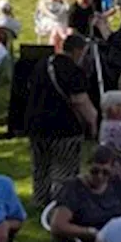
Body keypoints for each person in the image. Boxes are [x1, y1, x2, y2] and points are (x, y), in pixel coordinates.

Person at [24, 33, 97, 208]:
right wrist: (92, 124)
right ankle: (59, 204)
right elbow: (80, 101)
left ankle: (40, 199)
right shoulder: (73, 71)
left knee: (40, 166)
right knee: (64, 169)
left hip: (36, 124)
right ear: (78, 51)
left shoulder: (42, 64)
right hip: (64, 126)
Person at [49, 146, 121, 242]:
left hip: (114, 239)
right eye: (95, 171)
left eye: (105, 172)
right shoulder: (73, 189)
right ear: (87, 166)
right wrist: (92, 232)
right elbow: (58, 226)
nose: (100, 176)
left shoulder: (116, 184)